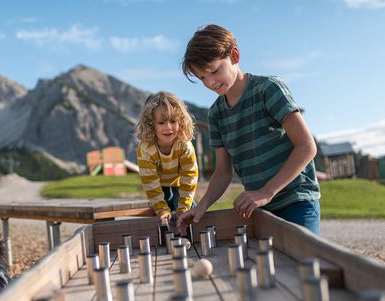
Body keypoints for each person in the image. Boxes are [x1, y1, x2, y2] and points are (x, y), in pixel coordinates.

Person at [177, 24, 321, 234]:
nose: (210, 82)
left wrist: (267, 191)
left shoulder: (268, 89)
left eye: (215, 71)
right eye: (202, 78)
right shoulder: (216, 113)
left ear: (234, 56)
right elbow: (223, 172)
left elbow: (307, 147)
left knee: (305, 263)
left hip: (296, 201)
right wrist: (202, 206)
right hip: (259, 207)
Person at [135, 91, 199, 240]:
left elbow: (189, 177)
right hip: (159, 187)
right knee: (160, 217)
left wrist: (184, 207)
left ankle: (190, 239)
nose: (168, 127)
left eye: (173, 121)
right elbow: (150, 182)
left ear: (181, 121)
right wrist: (160, 208)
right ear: (151, 124)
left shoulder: (184, 145)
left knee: (189, 213)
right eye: (161, 122)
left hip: (179, 185)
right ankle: (163, 240)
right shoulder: (146, 148)